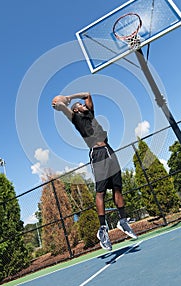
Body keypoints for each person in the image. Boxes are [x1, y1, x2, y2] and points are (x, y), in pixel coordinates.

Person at [52, 92, 137, 250]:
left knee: (118, 189)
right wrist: (64, 102)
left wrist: (71, 96)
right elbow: (61, 106)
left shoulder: (90, 114)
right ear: (76, 110)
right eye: (80, 106)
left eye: (83, 105)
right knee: (101, 192)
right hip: (97, 154)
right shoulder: (75, 119)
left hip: (109, 151)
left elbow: (87, 94)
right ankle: (103, 229)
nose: (83, 105)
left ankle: (123, 221)